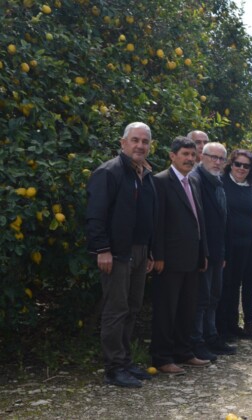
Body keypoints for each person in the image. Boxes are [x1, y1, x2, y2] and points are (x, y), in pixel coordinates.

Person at [86, 122, 157, 388]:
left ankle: (126, 361)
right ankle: (114, 368)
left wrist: (149, 250)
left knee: (132, 307)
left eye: (145, 141)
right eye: (135, 140)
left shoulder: (145, 174)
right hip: (115, 252)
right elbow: (95, 215)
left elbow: (148, 216)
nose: (140, 146)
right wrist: (102, 249)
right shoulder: (109, 172)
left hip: (140, 252)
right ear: (123, 142)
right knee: (116, 310)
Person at [150, 136, 210, 374]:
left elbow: (199, 219)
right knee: (166, 309)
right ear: (172, 156)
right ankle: (162, 357)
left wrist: (203, 251)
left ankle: (184, 352)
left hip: (192, 257)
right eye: (184, 154)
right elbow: (157, 222)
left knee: (188, 307)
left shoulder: (193, 182)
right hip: (169, 259)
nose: (189, 158)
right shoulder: (161, 181)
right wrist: (158, 255)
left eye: (192, 154)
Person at [188, 140, 236, 359]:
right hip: (202, 252)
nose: (217, 162)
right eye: (212, 157)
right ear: (201, 156)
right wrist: (203, 253)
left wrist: (223, 253)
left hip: (217, 252)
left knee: (214, 296)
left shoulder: (218, 181)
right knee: (201, 299)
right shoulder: (195, 180)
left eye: (221, 159)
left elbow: (222, 221)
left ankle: (212, 337)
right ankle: (197, 341)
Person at [217, 150, 252, 341]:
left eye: (246, 166)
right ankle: (220, 329)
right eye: (238, 164)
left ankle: (232, 325)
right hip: (226, 244)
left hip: (246, 244)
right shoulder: (221, 183)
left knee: (237, 285)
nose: (241, 168)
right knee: (224, 285)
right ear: (230, 164)